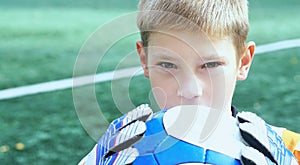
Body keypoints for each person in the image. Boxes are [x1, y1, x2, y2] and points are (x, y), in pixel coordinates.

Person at [78, 0, 300, 164]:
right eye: (167, 65)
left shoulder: (291, 150)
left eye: (211, 65)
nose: (189, 90)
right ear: (144, 60)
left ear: (243, 61)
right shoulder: (118, 153)